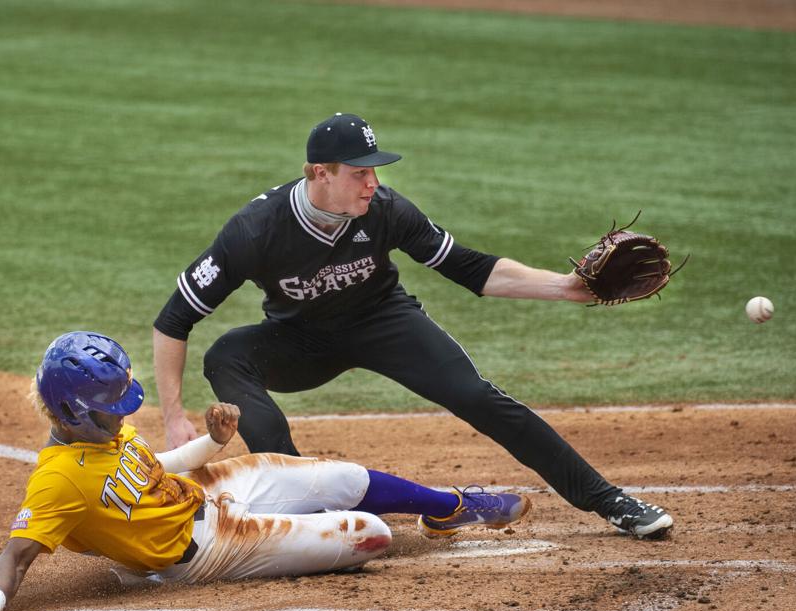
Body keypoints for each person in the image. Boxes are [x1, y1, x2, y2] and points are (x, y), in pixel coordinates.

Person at [152, 112, 674, 541]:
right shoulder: (256, 231)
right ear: (319, 173)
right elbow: (175, 318)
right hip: (301, 340)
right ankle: (303, 509)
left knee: (479, 397)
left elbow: (468, 266)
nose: (372, 182)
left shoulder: (386, 210)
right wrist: (174, 416)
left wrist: (566, 286)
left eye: (374, 170)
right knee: (226, 355)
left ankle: (609, 501)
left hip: (385, 322)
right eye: (358, 172)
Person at [0, 331, 530, 611]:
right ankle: (300, 531)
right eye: (110, 408)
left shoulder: (106, 432)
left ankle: (447, 507)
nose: (123, 413)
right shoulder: (58, 481)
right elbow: (16, 554)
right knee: (370, 533)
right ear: (75, 413)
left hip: (208, 491)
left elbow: (163, 464)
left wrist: (214, 444)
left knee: (347, 477)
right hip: (205, 552)